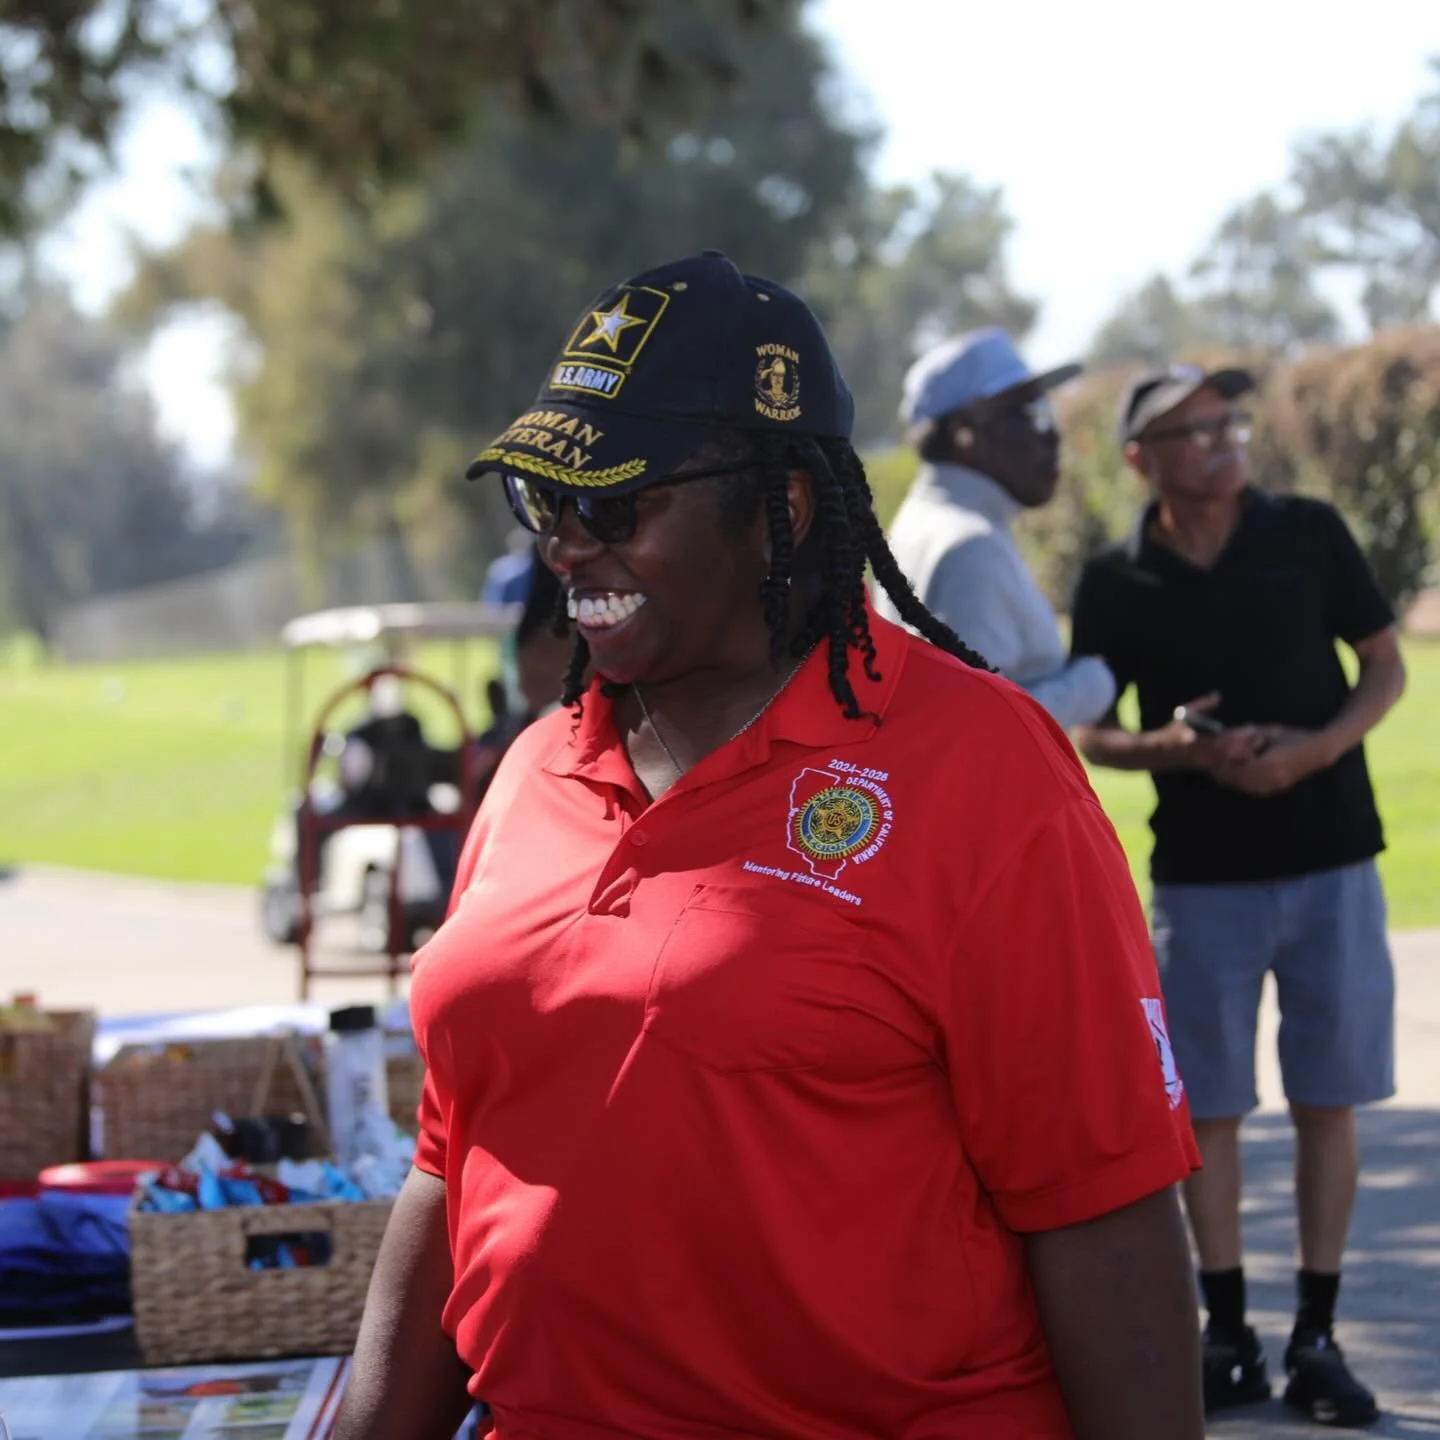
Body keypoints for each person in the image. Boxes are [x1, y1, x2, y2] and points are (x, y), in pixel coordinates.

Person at [336, 252, 1205, 1440]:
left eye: (610, 503)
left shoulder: (980, 770)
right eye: (543, 501)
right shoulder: (535, 767)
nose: (563, 549)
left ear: (782, 509)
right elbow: (451, 1161)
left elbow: (1103, 1216)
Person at [1069, 363, 1407, 1428]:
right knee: (1205, 1113)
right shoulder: (1115, 578)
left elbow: (1386, 669)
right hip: (1201, 883)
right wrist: (1169, 748)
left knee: (1326, 1101)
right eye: (1193, 428)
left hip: (1332, 861)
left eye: (1228, 420)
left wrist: (1311, 755)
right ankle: (1227, 1335)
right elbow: (1087, 728)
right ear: (1142, 460)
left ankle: (1317, 1334)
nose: (1223, 438)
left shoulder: (1307, 531)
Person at [877, 328, 1116, 728]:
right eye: (1030, 414)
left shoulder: (923, 518)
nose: (1053, 434)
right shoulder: (968, 544)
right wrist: (1091, 685)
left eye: (1048, 413)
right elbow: (974, 724)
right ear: (965, 432)